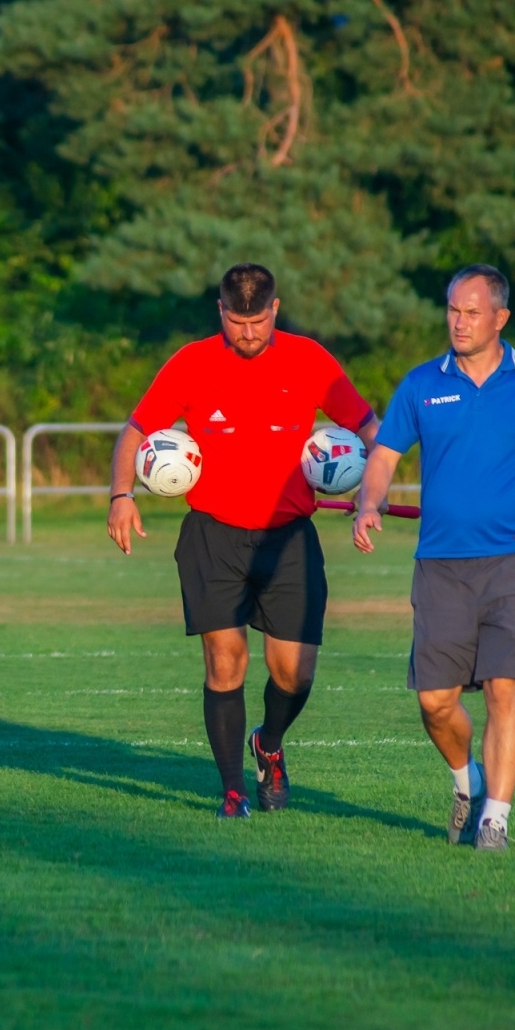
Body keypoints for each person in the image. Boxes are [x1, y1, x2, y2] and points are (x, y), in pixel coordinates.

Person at [107, 264, 379, 818]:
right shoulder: (191, 362)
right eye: (237, 322)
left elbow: (370, 427)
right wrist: (121, 493)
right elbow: (136, 430)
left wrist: (372, 485)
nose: (248, 333)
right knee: (225, 662)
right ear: (220, 311)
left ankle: (269, 743)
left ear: (275, 309)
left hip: (288, 541)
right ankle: (232, 789)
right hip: (213, 536)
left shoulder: (310, 361)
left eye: (257, 321)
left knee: (294, 673)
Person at [353, 265, 515, 853]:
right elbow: (382, 456)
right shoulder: (420, 384)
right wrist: (368, 503)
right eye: (453, 311)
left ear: (500, 318)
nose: (459, 322)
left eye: (472, 312)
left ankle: (495, 822)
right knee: (436, 703)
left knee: (507, 690)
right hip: (442, 565)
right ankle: (468, 782)